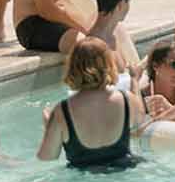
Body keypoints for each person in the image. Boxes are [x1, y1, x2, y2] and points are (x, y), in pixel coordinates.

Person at [37, 37, 142, 169]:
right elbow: (140, 121)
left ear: (72, 68)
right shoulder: (127, 100)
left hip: (83, 177)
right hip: (124, 171)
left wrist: (50, 126)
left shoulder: (62, 111)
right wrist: (134, 80)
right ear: (109, 64)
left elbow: (47, 156)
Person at [89, 0, 143, 87]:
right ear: (120, 5)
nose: (129, 7)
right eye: (128, 2)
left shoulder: (113, 36)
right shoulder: (94, 46)